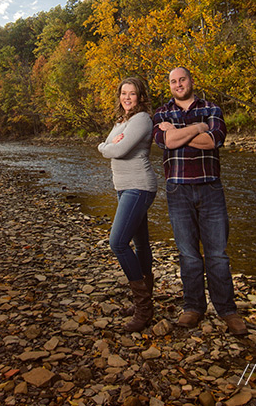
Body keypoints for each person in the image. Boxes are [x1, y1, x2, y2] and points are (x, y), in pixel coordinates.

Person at [152, 67, 247, 335]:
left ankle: (228, 311)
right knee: (189, 255)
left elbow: (213, 141)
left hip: (210, 188)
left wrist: (181, 133)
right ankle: (193, 307)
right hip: (178, 190)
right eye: (173, 81)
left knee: (217, 254)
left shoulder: (212, 108)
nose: (178, 84)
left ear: (191, 81)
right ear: (169, 86)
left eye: (182, 79)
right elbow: (166, 142)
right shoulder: (161, 113)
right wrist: (198, 127)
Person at [97, 76, 159, 332]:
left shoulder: (143, 120)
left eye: (132, 93)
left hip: (139, 186)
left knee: (118, 243)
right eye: (124, 93)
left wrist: (104, 145)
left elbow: (117, 150)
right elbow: (110, 145)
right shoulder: (122, 121)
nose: (127, 97)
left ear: (140, 96)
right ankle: (146, 300)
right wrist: (108, 144)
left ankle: (144, 308)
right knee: (141, 244)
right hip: (124, 188)